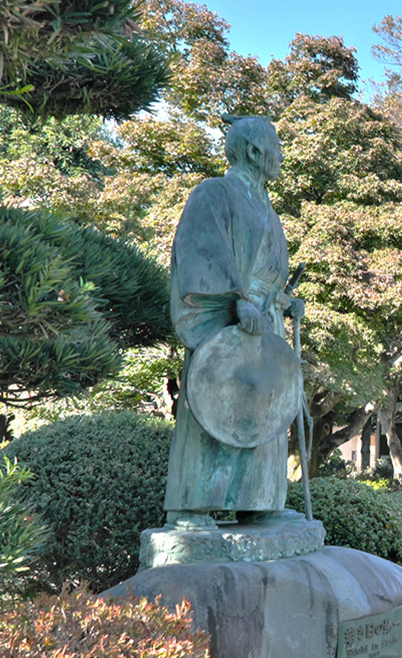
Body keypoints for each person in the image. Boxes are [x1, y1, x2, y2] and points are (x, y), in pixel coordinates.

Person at [164, 116, 304, 530]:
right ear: (256, 151)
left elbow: (270, 276)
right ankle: (191, 509)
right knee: (215, 408)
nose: (281, 157)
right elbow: (201, 253)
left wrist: (284, 301)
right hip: (229, 323)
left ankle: (259, 503)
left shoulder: (269, 211)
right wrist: (236, 301)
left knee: (262, 408)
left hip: (266, 325)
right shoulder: (215, 194)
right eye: (276, 147)